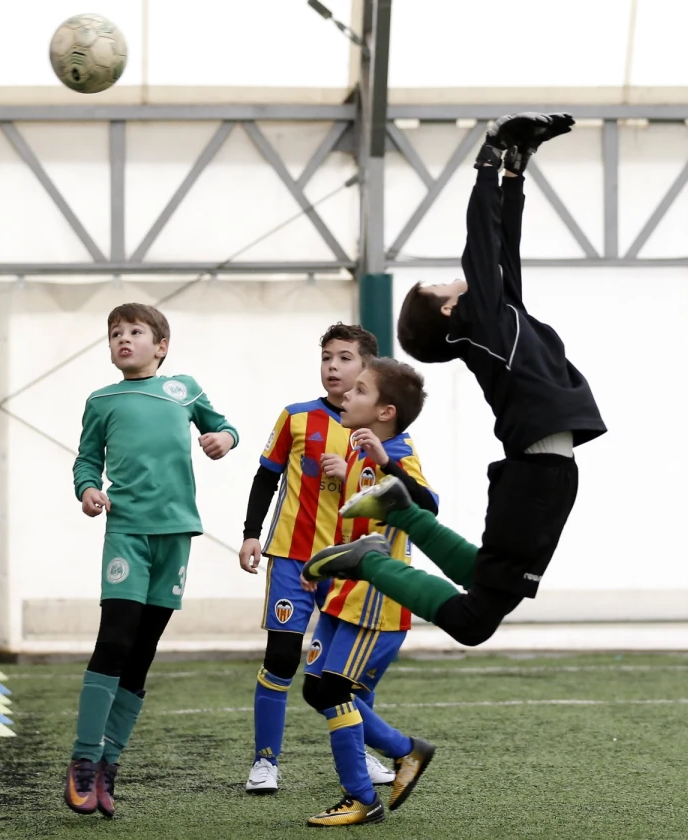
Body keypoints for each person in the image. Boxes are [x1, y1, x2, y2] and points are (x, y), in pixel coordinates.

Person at [303, 113, 606, 650]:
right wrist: (487, 161)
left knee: (488, 581)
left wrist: (518, 168)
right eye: (445, 282)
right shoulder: (482, 321)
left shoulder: (501, 313)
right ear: (450, 309)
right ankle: (372, 560)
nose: (459, 275)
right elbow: (480, 238)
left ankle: (401, 511)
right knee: (473, 620)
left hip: (545, 473)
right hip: (537, 473)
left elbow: (502, 244)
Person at [66, 303, 239, 818]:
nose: (124, 339)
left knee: (142, 652)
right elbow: (85, 458)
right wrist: (88, 488)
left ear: (160, 345)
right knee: (115, 640)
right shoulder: (102, 400)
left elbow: (226, 427)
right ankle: (81, 761)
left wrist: (221, 440)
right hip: (126, 534)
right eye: (116, 333)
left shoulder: (184, 389)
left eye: (135, 332)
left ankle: (109, 765)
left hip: (176, 537)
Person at [239, 324, 399, 793]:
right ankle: (265, 761)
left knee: (340, 669)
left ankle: (359, 753)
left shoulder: (380, 430)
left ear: (366, 367)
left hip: (348, 563)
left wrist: (352, 469)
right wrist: (251, 534)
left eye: (345, 357)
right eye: (327, 357)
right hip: (292, 556)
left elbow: (394, 492)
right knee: (283, 657)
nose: (333, 366)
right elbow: (265, 478)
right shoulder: (296, 416)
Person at [300, 357, 438, 827]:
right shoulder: (359, 448)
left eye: (360, 389)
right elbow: (355, 526)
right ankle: (405, 750)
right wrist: (322, 566)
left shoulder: (396, 448)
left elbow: (428, 505)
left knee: (335, 690)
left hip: (375, 601)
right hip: (344, 593)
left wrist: (389, 464)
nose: (346, 393)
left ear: (386, 411)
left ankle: (362, 798)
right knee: (317, 690)